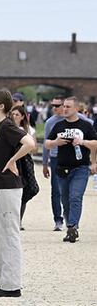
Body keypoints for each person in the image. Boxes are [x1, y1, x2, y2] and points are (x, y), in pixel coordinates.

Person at [0, 90, 35, 298]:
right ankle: (5, 282)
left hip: (9, 187)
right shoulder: (1, 127)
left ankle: (11, 285)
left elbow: (30, 143)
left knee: (9, 234)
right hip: (3, 186)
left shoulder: (7, 126)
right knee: (2, 234)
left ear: (1, 106)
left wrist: (13, 160)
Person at [45, 96, 97, 243]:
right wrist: (56, 142)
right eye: (64, 106)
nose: (65, 109)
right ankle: (71, 224)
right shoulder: (58, 125)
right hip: (62, 168)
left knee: (75, 197)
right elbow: (47, 143)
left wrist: (83, 142)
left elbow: (95, 144)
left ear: (76, 109)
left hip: (80, 168)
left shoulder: (86, 125)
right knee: (65, 200)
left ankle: (72, 227)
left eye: (68, 106)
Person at [9, 105, 38, 226]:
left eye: (17, 115)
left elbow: (35, 149)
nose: (14, 117)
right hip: (12, 159)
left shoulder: (29, 130)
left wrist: (25, 145)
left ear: (22, 117)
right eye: (13, 114)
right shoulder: (7, 128)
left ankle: (19, 220)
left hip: (24, 161)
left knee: (26, 188)